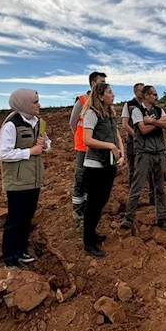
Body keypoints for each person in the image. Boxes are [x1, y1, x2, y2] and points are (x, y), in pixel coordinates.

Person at [0, 89, 51, 269]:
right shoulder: (12, 125)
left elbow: (47, 145)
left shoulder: (38, 122)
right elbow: (3, 153)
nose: (39, 105)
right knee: (15, 218)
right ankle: (9, 258)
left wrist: (44, 145)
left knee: (27, 217)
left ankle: (22, 251)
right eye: (35, 102)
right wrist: (30, 152)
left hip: (34, 178)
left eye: (38, 101)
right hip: (18, 181)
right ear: (24, 104)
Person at [81, 82, 125, 258]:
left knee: (101, 202)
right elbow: (87, 139)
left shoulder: (110, 113)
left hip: (108, 164)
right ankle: (88, 242)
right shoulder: (92, 113)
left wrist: (121, 153)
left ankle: (92, 235)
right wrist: (110, 147)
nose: (113, 95)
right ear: (100, 96)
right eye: (109, 92)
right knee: (93, 204)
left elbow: (116, 134)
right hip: (95, 166)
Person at [123, 85, 166, 231]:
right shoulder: (137, 110)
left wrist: (152, 121)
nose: (157, 97)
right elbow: (143, 130)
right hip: (144, 153)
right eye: (154, 95)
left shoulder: (158, 110)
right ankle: (128, 218)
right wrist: (159, 124)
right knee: (137, 186)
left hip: (159, 153)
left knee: (160, 188)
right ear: (146, 96)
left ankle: (161, 218)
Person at [70, 71, 106, 224]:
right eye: (101, 81)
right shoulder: (82, 100)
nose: (104, 84)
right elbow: (73, 123)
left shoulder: (101, 101)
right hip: (84, 147)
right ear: (93, 84)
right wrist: (81, 138)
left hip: (97, 147)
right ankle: (77, 209)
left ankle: (88, 207)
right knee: (81, 177)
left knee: (93, 179)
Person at [122, 83, 156, 205]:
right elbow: (125, 124)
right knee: (133, 170)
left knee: (152, 170)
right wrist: (137, 137)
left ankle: (153, 197)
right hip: (133, 143)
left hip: (149, 143)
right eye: (142, 91)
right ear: (136, 92)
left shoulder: (151, 106)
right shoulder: (129, 105)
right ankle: (134, 200)